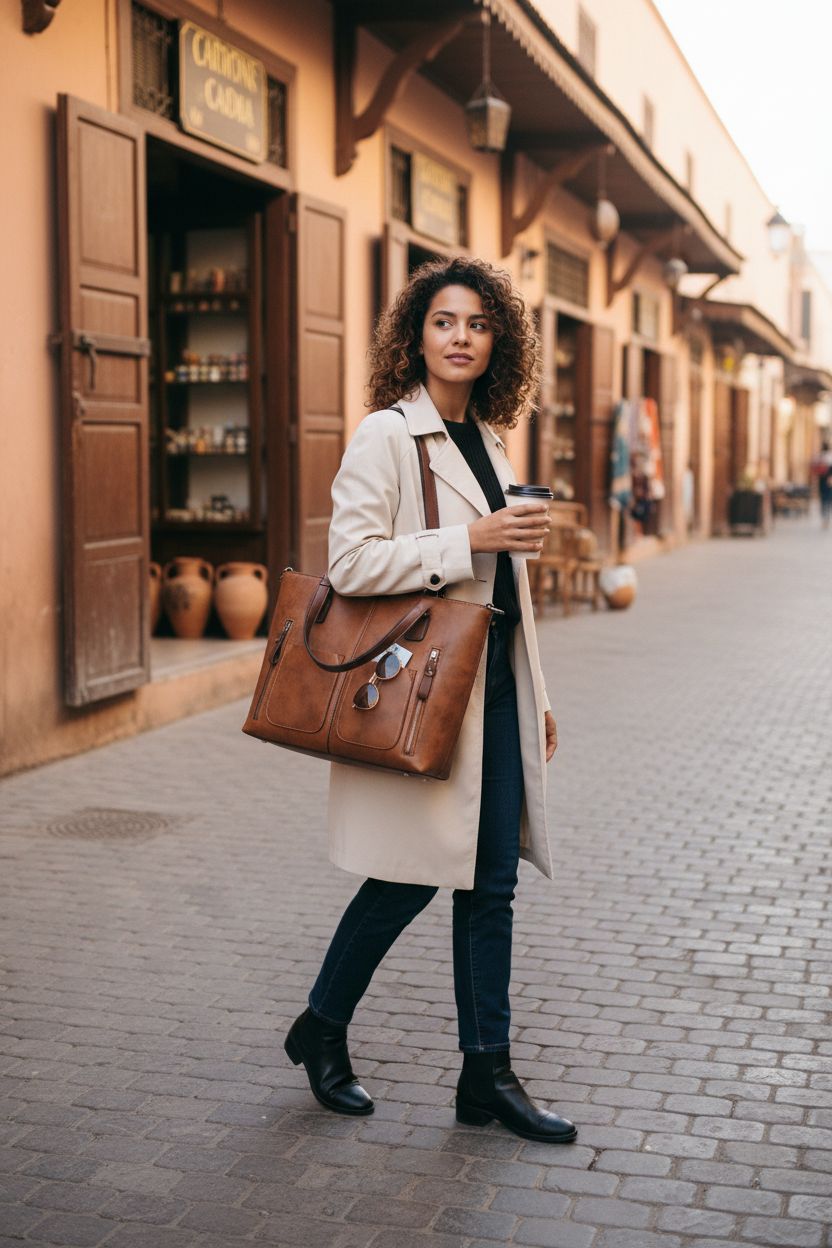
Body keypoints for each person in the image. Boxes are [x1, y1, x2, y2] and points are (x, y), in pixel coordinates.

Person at [284, 257, 577, 1145]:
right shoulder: (386, 434)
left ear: (499, 344)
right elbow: (351, 563)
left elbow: (509, 589)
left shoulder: (489, 441)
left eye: (479, 324)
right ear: (417, 335)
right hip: (421, 690)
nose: (461, 337)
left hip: (492, 689)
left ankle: (485, 1073)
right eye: (445, 321)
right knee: (409, 877)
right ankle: (322, 1027)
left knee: (490, 888)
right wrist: (468, 538)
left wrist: (540, 693)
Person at [817, 440, 832, 529]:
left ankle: (824, 518)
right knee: (828, 499)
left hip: (823, 480)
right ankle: (826, 518)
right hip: (828, 481)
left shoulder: (820, 457)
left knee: (823, 499)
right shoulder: (829, 457)